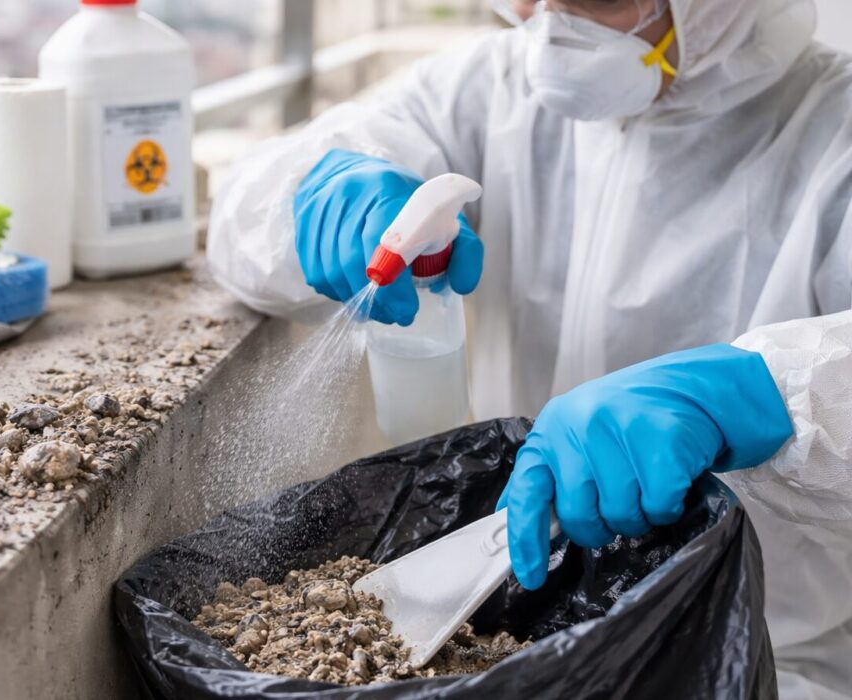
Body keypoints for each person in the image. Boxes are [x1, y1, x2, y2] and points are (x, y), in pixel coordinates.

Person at [206, 0, 852, 697]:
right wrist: (322, 192)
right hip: (512, 639)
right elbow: (245, 210)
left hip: (759, 656)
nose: (547, 16)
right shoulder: (491, 90)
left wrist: (768, 394)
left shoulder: (830, 130)